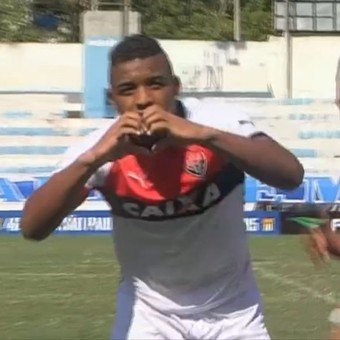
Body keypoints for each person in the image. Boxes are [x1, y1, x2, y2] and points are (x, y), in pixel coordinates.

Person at [20, 34, 304, 340]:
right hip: (149, 315)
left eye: (155, 84)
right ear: (112, 98)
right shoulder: (98, 149)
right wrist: (93, 159)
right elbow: (32, 228)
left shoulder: (216, 122)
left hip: (233, 311)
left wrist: (203, 136)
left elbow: (290, 176)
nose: (143, 99)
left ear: (176, 87)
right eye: (127, 90)